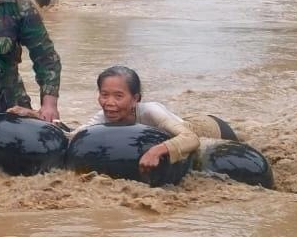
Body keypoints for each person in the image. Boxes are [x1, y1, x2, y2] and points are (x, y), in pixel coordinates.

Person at [76, 65, 229, 171]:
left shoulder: (150, 111)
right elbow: (77, 135)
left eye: (118, 96)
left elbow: (192, 139)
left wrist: (155, 151)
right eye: (104, 95)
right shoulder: (103, 118)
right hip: (177, 122)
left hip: (210, 128)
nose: (109, 103)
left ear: (136, 99)